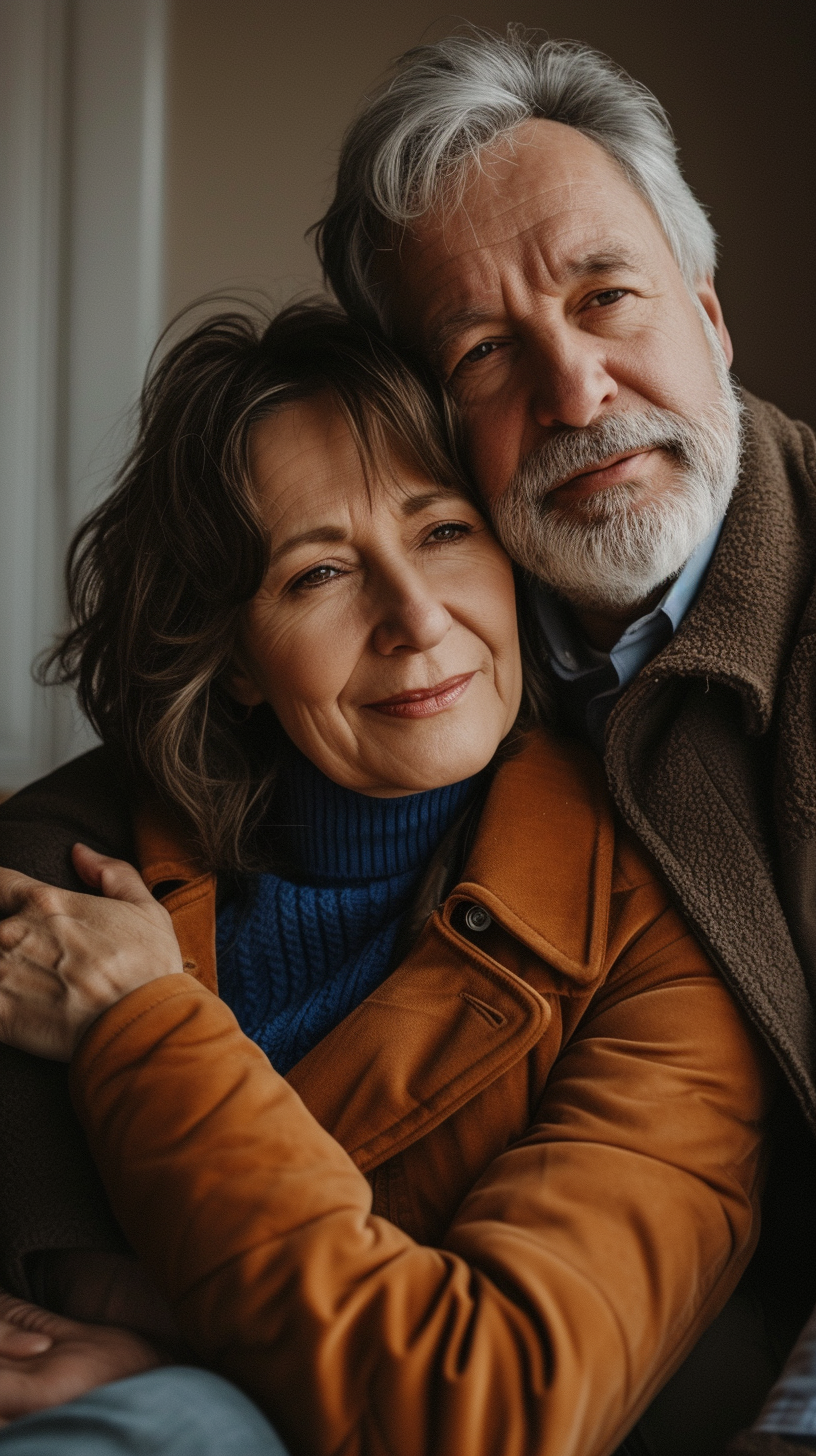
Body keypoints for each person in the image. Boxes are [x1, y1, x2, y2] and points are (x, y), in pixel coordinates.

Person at [0, 301, 768, 1456]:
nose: (415, 619)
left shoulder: (660, 925)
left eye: (446, 532)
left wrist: (143, 1025)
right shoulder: (65, 868)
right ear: (239, 656)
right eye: (317, 574)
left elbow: (490, 1409)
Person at [310, 26, 816, 1455]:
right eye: (484, 353)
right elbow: (98, 815)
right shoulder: (428, 623)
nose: (578, 391)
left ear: (708, 318)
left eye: (609, 297)